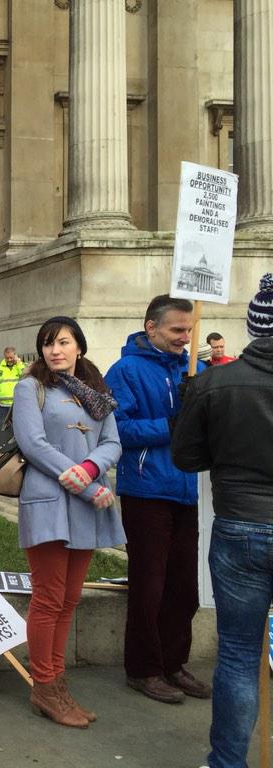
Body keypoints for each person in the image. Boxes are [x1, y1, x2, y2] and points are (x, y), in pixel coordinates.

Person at [172, 273, 273, 768]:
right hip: (244, 523)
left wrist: (195, 408)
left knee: (236, 654)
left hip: (240, 527)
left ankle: (228, 764)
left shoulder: (215, 382)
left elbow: (187, 458)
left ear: (254, 326)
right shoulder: (214, 381)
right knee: (237, 655)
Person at [11, 317, 123, 728]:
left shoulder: (97, 392)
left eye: (62, 342)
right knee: (49, 597)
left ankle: (58, 682)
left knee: (70, 598)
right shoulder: (30, 387)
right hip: (49, 502)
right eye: (46, 343)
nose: (54, 350)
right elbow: (33, 444)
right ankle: (44, 686)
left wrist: (92, 467)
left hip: (86, 502)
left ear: (79, 346)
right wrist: (84, 483)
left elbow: (113, 441)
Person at [104, 294, 210, 704]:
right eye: (177, 330)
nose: (185, 338)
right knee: (150, 585)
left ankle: (173, 663)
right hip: (147, 490)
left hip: (190, 488)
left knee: (186, 586)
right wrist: (172, 424)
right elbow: (119, 430)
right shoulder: (126, 370)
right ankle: (143, 668)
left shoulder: (195, 368)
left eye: (189, 330)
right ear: (152, 328)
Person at [0, 346, 25, 427]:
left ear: (15, 356)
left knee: (19, 429)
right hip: (2, 406)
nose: (9, 360)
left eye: (11, 357)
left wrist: (18, 364)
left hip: (17, 405)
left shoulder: (20, 367)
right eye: (7, 358)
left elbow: (25, 377)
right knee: (2, 430)